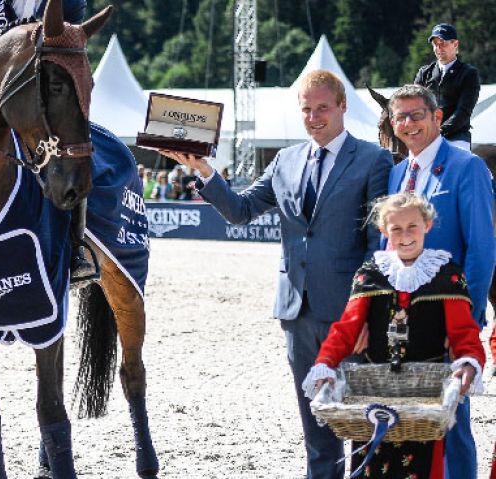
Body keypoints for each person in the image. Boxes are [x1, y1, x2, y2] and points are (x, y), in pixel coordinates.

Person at [163, 69, 392, 478]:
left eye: (323, 108)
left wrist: (367, 312)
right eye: (306, 109)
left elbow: (377, 244)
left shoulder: (373, 159)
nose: (314, 117)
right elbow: (241, 210)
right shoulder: (285, 160)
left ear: (342, 106)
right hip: (296, 313)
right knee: (316, 425)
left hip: (349, 316)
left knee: (357, 423)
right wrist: (205, 170)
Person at [302, 193, 485, 479]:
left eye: (412, 226)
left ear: (427, 225)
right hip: (373, 391)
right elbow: (347, 328)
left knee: (423, 468)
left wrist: (469, 361)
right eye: (396, 228)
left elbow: (464, 332)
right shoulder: (370, 274)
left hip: (426, 397)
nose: (405, 235)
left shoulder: (447, 275)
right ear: (384, 231)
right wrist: (325, 363)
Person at [0, 0, 98, 283]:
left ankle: (75, 248)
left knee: (73, 154)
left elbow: (68, 50)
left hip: (42, 102)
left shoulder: (70, 2)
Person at [386, 83, 495, 478]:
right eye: (400, 117)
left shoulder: (468, 167)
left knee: (452, 425)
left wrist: (467, 321)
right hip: (400, 321)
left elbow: (482, 250)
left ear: (437, 117)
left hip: (449, 319)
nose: (408, 123)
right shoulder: (397, 173)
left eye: (417, 114)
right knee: (410, 424)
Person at [414, 23, 479, 151]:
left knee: (459, 161)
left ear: (455, 44)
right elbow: (414, 105)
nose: (438, 48)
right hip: (426, 136)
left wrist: (439, 131)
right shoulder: (424, 73)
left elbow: (463, 111)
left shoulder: (469, 73)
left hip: (456, 137)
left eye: (443, 43)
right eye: (435, 44)